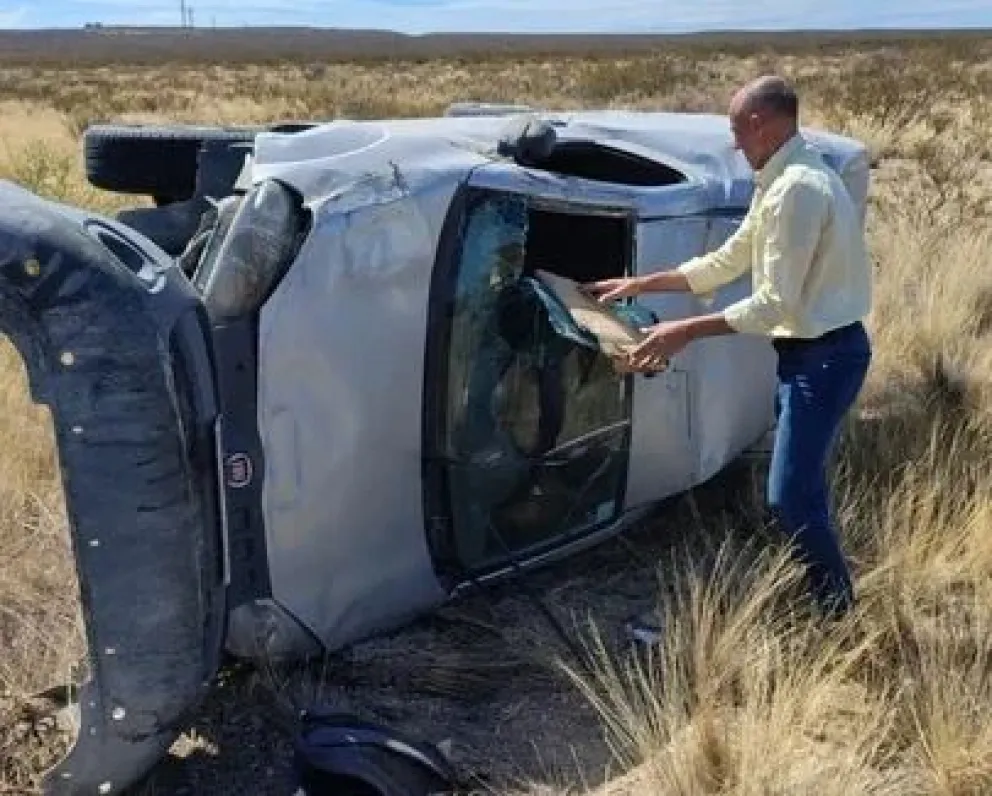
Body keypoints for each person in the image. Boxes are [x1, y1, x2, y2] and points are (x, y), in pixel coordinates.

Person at [586, 75, 872, 620]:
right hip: (810, 356)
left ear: (759, 123)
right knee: (801, 488)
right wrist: (643, 283)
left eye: (737, 129)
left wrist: (683, 332)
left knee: (789, 496)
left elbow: (774, 304)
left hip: (824, 358)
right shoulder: (783, 178)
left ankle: (836, 611)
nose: (735, 143)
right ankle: (827, 598)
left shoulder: (797, 191)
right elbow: (728, 260)